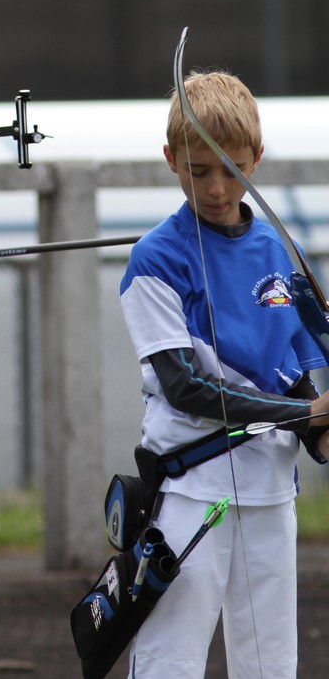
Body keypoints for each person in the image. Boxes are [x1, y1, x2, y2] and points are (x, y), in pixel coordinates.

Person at [118, 69, 329, 678]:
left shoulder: (270, 248)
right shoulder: (156, 257)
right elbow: (186, 388)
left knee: (271, 665)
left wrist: (318, 433)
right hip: (189, 492)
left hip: (269, 493)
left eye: (230, 170)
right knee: (170, 662)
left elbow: (288, 373)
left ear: (256, 159)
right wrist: (305, 416)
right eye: (198, 170)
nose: (215, 188)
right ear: (170, 161)